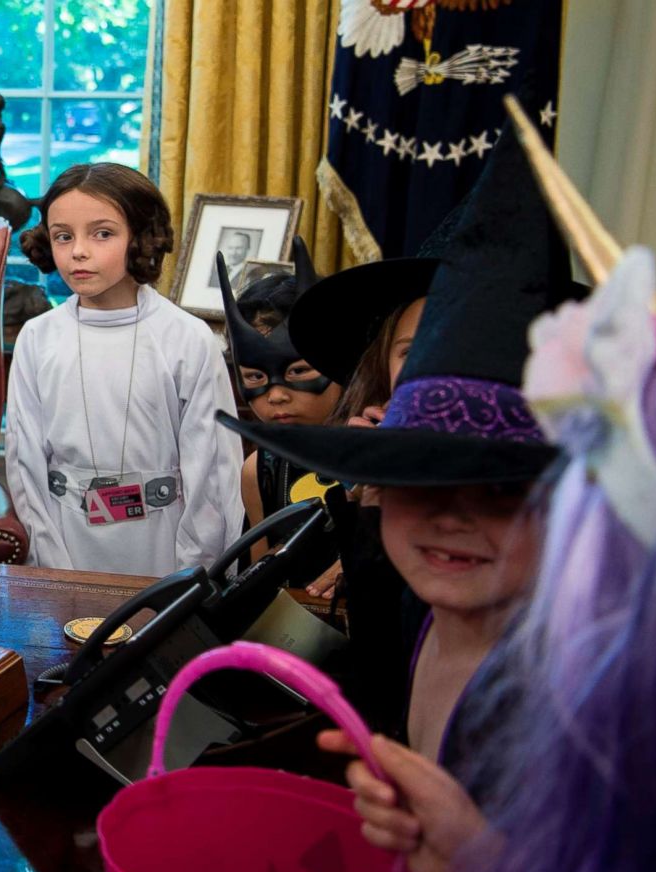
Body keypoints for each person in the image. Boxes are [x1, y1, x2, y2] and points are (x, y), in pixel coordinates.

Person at [314, 227, 656, 872]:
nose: (452, 516)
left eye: (504, 489)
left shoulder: (584, 695)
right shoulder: (432, 611)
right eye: (421, 475)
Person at [219, 127, 568, 765]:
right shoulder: (411, 561)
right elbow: (386, 699)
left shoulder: (563, 672)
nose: (451, 516)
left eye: (500, 491)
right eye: (419, 350)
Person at [7, 162, 244, 577]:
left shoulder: (187, 339)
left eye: (102, 233)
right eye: (64, 236)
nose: (78, 250)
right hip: (65, 544)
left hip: (164, 548)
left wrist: (194, 575)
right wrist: (53, 569)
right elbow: (26, 464)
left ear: (140, 238)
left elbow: (212, 470)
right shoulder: (37, 338)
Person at [219, 241, 344, 595]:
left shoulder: (383, 461)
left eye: (298, 371)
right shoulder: (260, 471)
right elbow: (260, 582)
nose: (276, 395)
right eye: (256, 377)